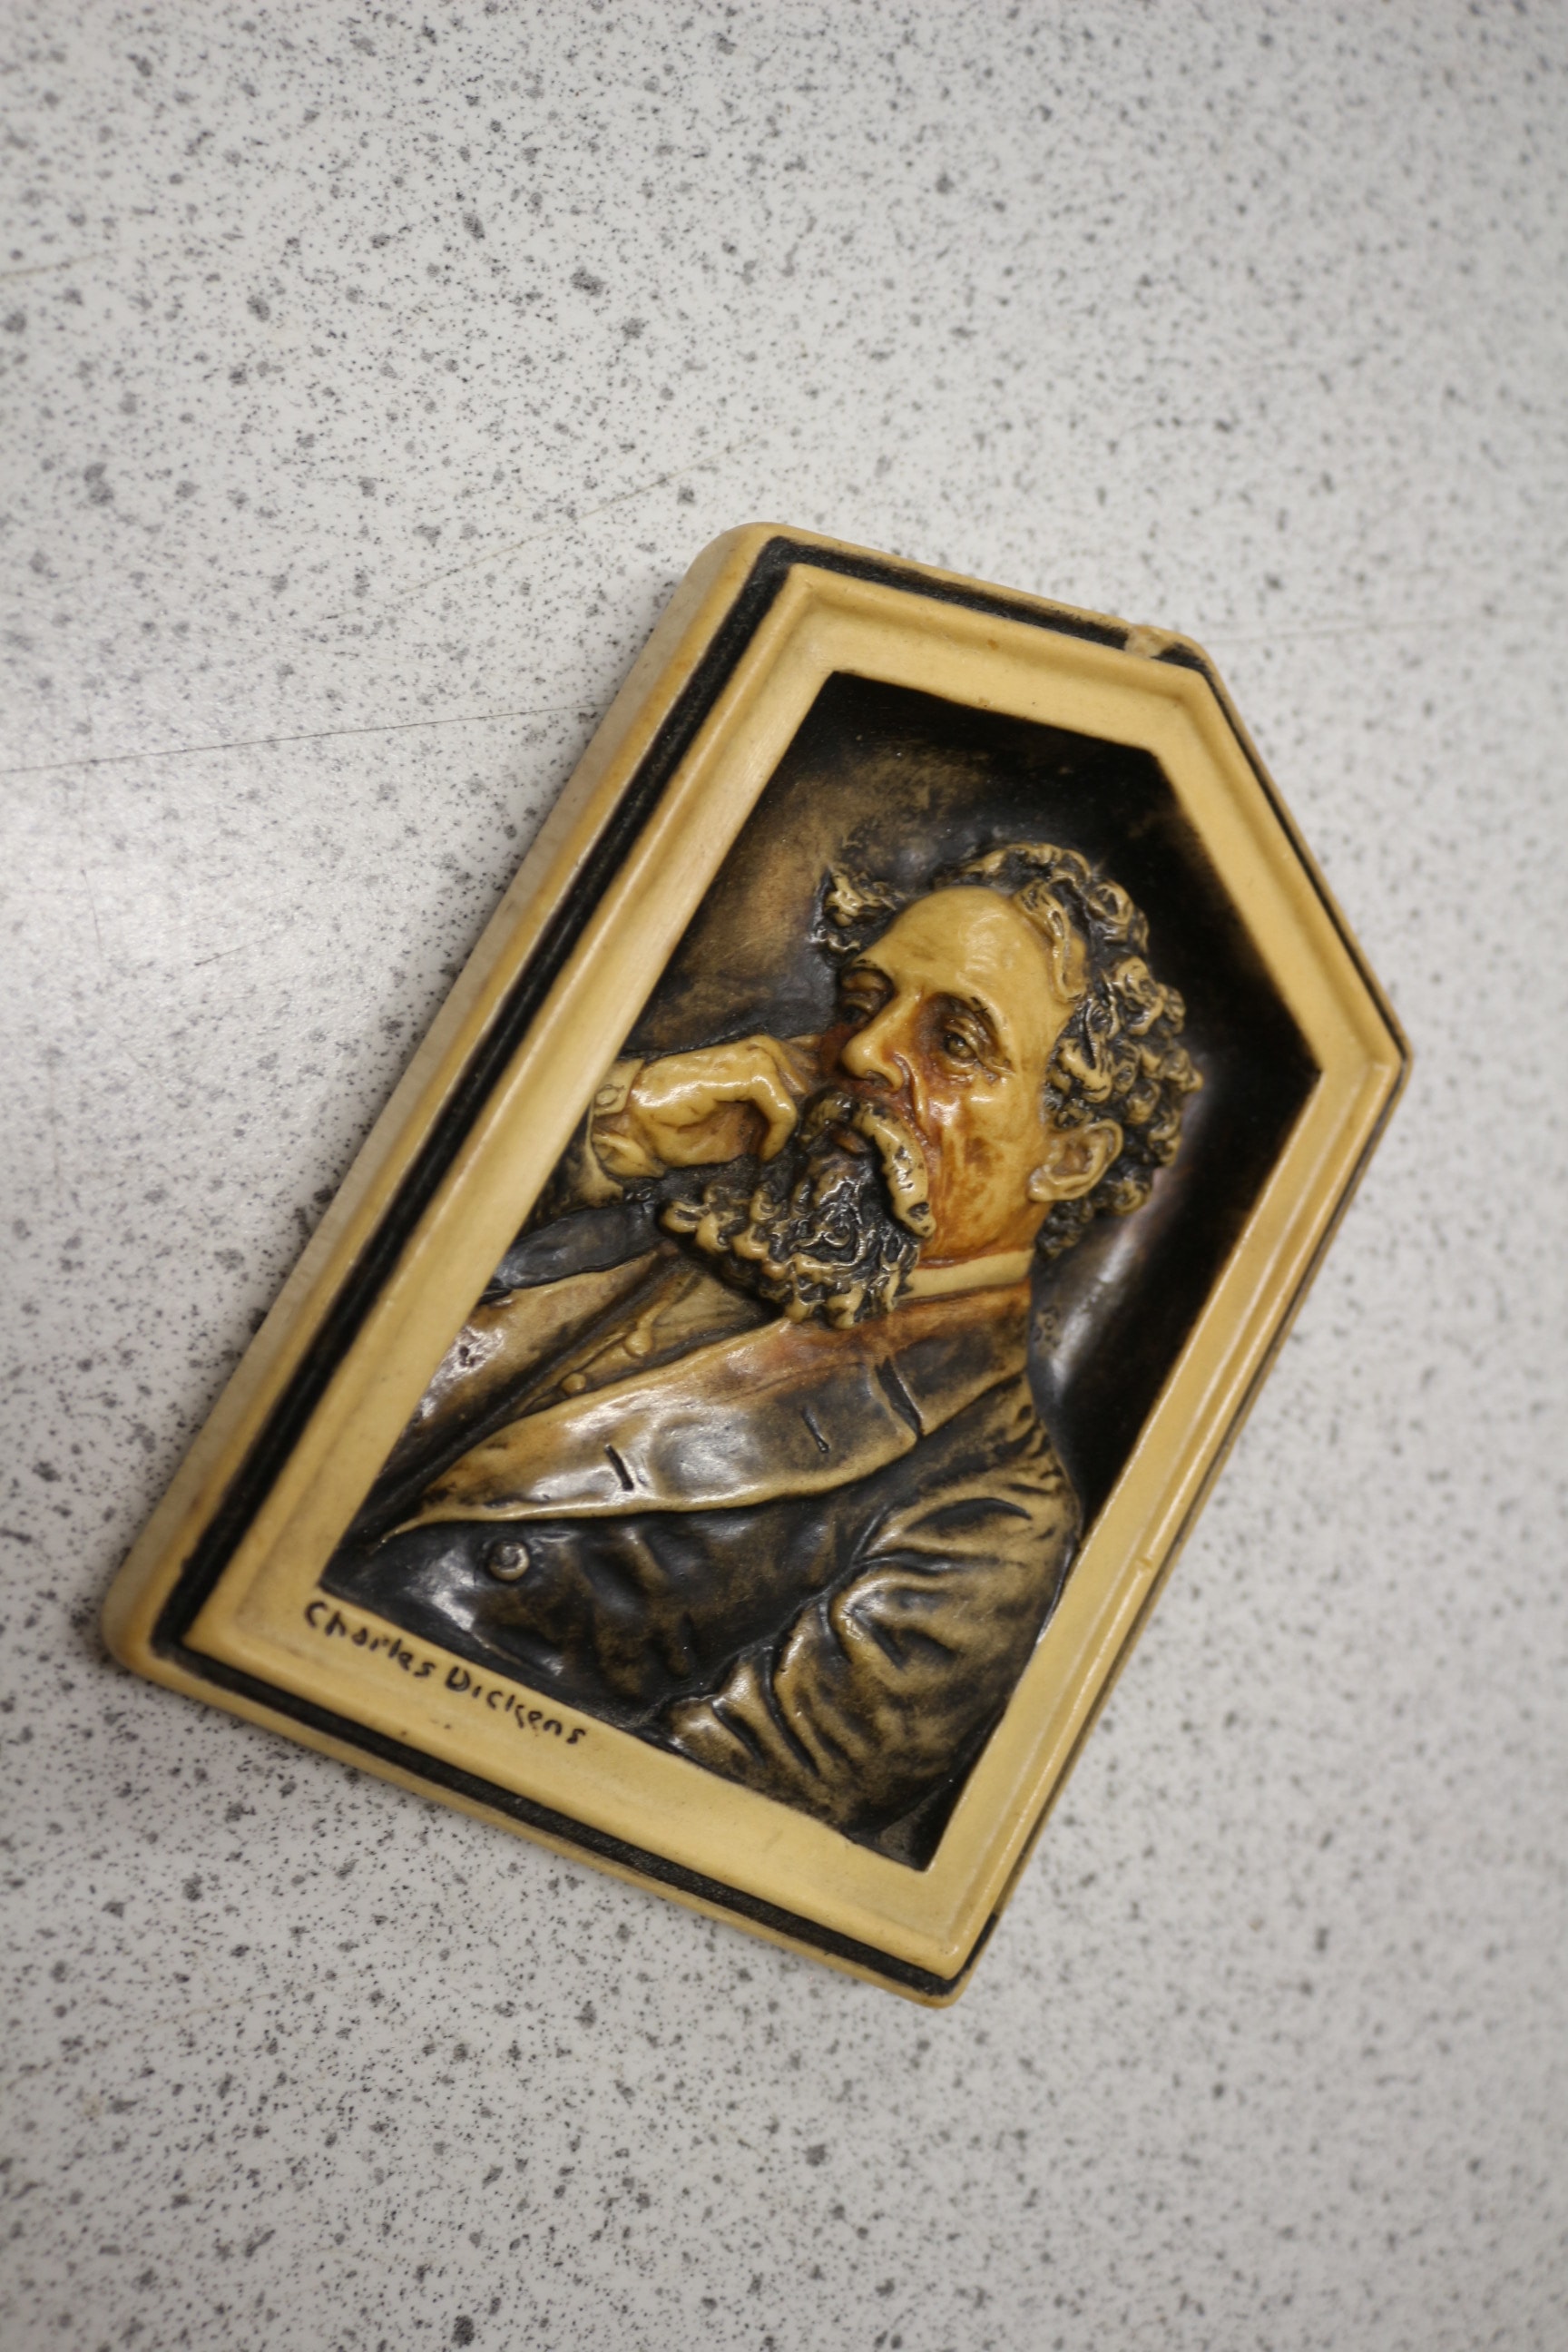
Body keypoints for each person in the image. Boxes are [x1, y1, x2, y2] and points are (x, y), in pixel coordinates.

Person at [324, 842, 1199, 1852]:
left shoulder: (996, 1519)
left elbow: (667, 1826)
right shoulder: (688, 1204)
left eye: (956, 1041)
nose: (864, 1054)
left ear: (1071, 1156)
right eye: (864, 1002)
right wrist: (610, 1137)